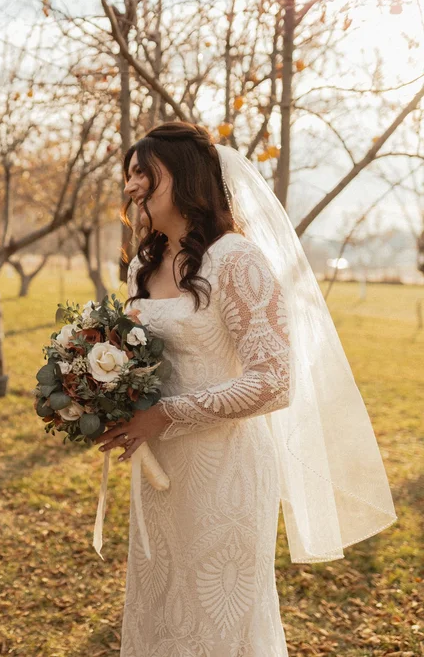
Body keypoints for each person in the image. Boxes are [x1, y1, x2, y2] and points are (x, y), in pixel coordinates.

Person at [96, 122, 396, 655]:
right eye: (129, 175)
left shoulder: (237, 260)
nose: (131, 185)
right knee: (160, 605)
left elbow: (274, 382)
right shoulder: (143, 262)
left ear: (185, 176)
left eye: (144, 173)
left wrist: (164, 414)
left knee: (217, 619)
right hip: (162, 469)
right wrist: (105, 393)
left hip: (225, 470)